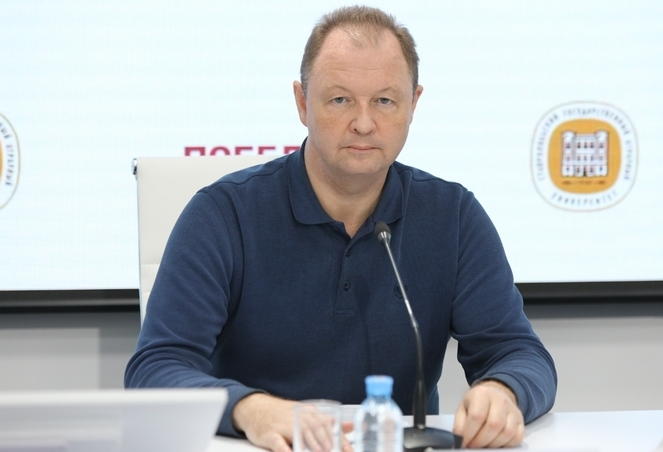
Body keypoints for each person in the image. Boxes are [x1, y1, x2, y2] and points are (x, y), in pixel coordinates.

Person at [125, 5, 556, 451]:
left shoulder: (453, 215)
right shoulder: (222, 214)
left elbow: (520, 354)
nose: (364, 124)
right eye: (340, 100)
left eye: (385, 101)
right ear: (302, 102)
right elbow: (155, 370)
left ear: (413, 104)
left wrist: (504, 391)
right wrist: (249, 408)